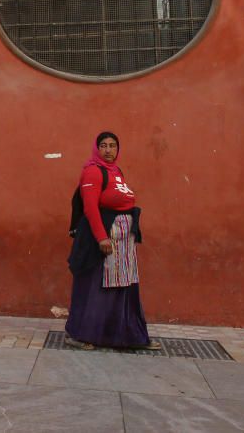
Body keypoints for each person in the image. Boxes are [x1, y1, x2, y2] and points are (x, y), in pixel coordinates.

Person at [64, 131, 160, 351]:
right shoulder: (93, 172)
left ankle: (126, 336)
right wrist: (102, 237)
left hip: (123, 245)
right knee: (95, 287)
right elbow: (90, 207)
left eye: (113, 146)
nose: (108, 150)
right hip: (104, 243)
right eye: (104, 146)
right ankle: (80, 334)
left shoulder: (116, 171)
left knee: (123, 288)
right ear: (97, 149)